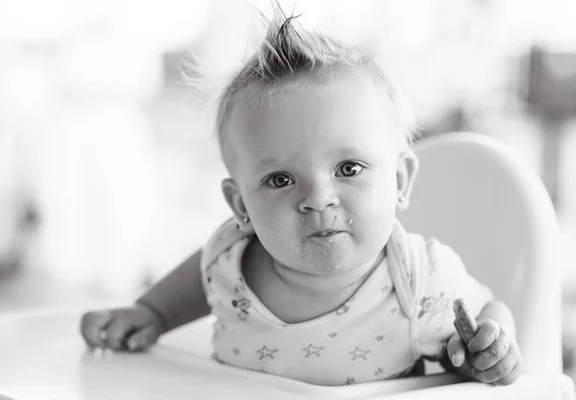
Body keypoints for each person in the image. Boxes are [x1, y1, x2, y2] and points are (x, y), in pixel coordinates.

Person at [80, 11, 522, 386]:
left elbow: (485, 310)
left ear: (401, 180)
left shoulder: (419, 278)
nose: (318, 199)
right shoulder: (229, 258)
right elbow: (201, 275)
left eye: (348, 169)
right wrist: (151, 313)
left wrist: (489, 346)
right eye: (279, 180)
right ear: (241, 207)